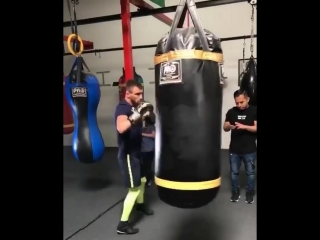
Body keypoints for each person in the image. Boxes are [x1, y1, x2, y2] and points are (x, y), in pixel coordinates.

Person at [114, 80, 154, 235]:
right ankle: (122, 225)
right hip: (129, 155)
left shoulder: (135, 106)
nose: (140, 96)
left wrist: (147, 116)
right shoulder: (122, 108)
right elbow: (121, 127)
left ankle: (141, 204)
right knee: (135, 188)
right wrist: (134, 117)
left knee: (143, 179)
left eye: (141, 93)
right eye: (137, 93)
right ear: (128, 93)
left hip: (138, 151)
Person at [223, 89, 257, 204]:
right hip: (234, 149)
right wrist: (228, 126)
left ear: (248, 99)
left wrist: (243, 126)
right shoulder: (231, 112)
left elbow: (256, 128)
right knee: (234, 172)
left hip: (249, 149)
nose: (239, 105)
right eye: (237, 102)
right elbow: (225, 127)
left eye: (241, 102)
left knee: (250, 173)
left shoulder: (254, 111)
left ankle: (249, 192)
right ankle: (235, 191)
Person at [141, 117, 155, 187]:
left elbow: (154, 135)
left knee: (148, 166)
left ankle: (149, 180)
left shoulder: (152, 127)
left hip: (149, 150)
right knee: (143, 166)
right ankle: (144, 180)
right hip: (143, 150)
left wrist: (142, 134)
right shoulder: (143, 128)